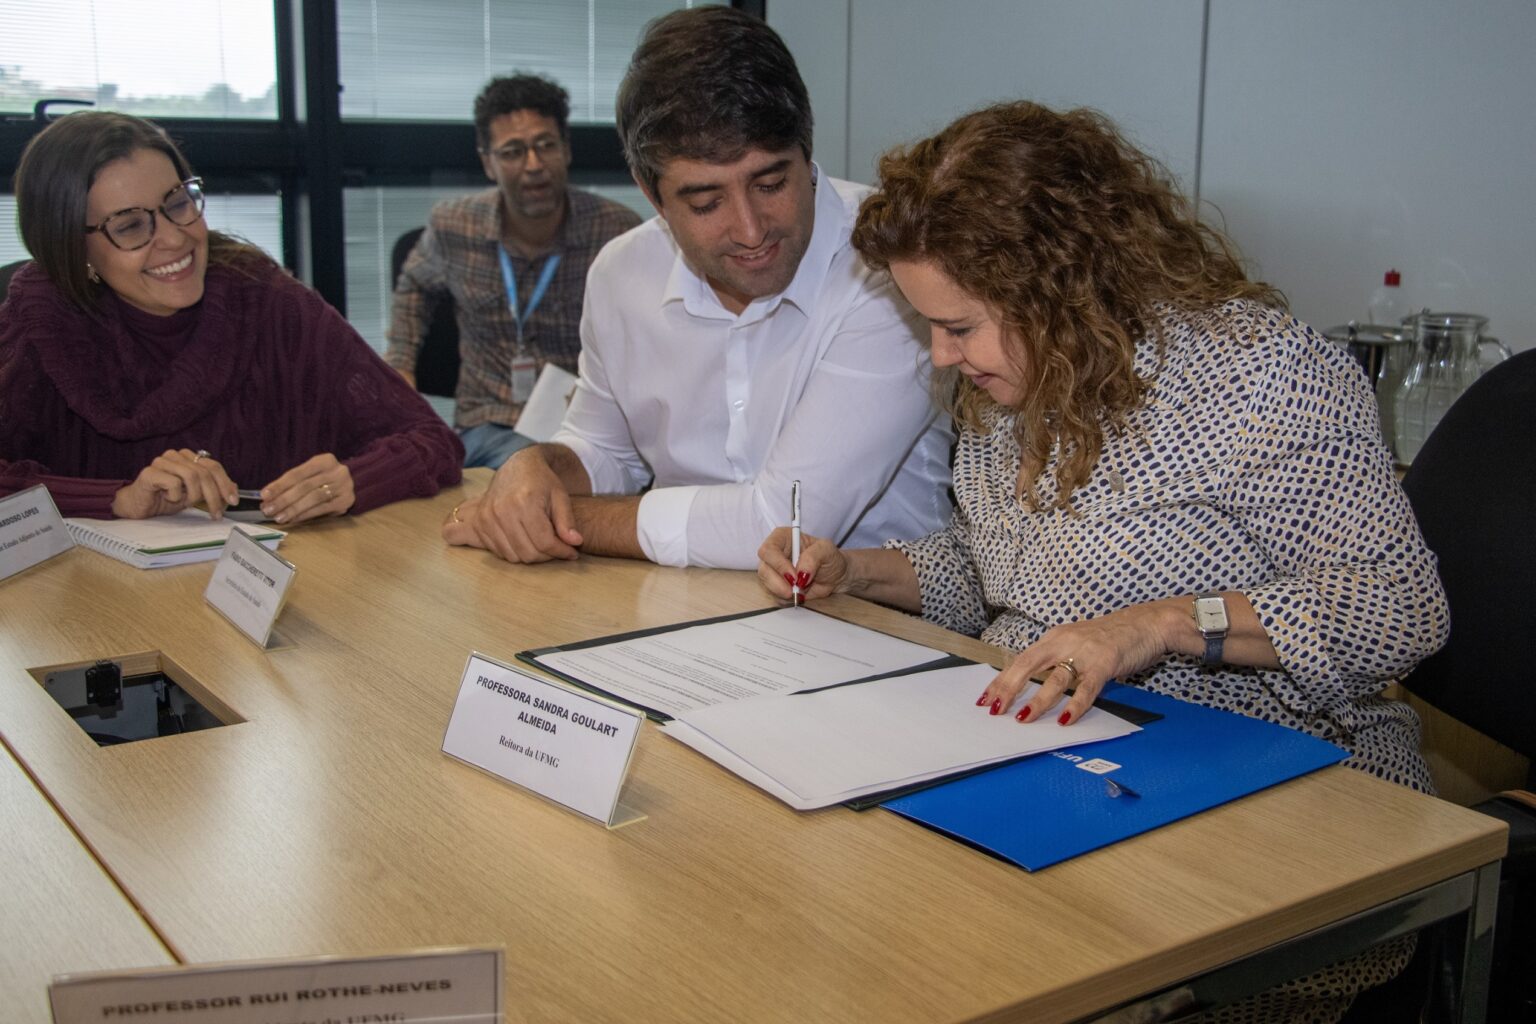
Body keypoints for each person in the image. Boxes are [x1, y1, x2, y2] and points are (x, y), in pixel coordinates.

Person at [758, 102, 1449, 1023]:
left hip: (1273, 786)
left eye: (960, 326)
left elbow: (1402, 610)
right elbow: (994, 571)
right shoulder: (1013, 386)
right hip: (1058, 756)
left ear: (1061, 288)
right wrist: (857, 572)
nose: (942, 353)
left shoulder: (1258, 377)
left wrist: (1160, 626)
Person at [443, 7, 952, 570]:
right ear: (650, 193)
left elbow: (781, 525)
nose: (752, 229)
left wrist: (559, 520)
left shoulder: (889, 262)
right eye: (705, 202)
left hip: (875, 620)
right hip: (681, 603)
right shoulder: (621, 272)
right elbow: (606, 452)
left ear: (808, 152)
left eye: (771, 182)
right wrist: (534, 469)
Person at [0, 112, 463, 523]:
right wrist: (118, 498)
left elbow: (431, 439)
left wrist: (352, 480)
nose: (175, 239)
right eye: (130, 226)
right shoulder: (42, 322)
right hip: (96, 604)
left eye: (178, 202)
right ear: (71, 247)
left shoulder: (265, 299)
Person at [385, 73, 642, 469]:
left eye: (545, 146)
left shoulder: (615, 231)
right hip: (483, 423)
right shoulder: (455, 225)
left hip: (577, 429)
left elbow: (645, 328)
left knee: (538, 484)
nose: (534, 165)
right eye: (513, 152)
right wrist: (400, 366)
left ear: (566, 150)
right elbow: (415, 285)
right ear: (488, 162)